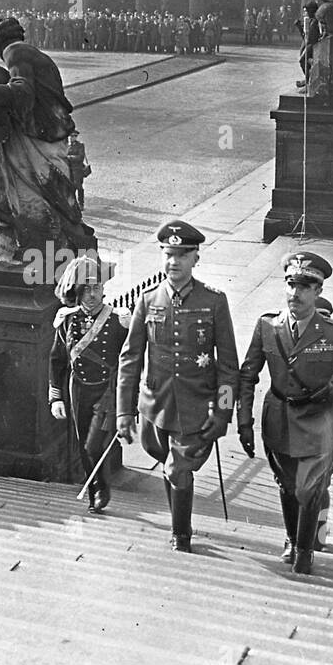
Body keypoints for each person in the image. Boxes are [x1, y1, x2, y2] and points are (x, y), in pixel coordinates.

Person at [237, 251, 333, 574]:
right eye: (291, 284)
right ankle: (292, 539)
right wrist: (243, 421)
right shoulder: (267, 326)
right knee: (286, 484)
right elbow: (247, 375)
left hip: (320, 421)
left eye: (305, 286)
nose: (295, 292)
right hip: (279, 418)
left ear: (318, 292)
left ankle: (305, 551)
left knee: (309, 488)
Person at [116, 221, 239, 553]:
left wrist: (224, 412)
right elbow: (130, 359)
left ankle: (180, 536)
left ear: (195, 258)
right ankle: (179, 520)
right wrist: (124, 411)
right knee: (165, 461)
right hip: (155, 407)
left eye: (182, 256)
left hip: (195, 407)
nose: (174, 262)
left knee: (177, 467)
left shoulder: (214, 302)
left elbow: (229, 365)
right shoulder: (147, 301)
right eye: (169, 255)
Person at [0, 16, 96, 268]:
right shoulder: (29, 52)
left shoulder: (14, 53)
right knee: (37, 183)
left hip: (42, 131)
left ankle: (24, 233)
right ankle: (4, 229)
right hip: (48, 127)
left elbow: (22, 92)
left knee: (39, 185)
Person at [49, 256, 129, 513]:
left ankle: (101, 486)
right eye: (86, 289)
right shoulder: (67, 320)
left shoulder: (119, 320)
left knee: (95, 443)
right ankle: (95, 488)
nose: (92, 295)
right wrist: (56, 397)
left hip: (108, 390)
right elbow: (57, 360)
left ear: (104, 289)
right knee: (85, 441)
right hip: (79, 388)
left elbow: (132, 360)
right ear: (77, 291)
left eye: (96, 288)